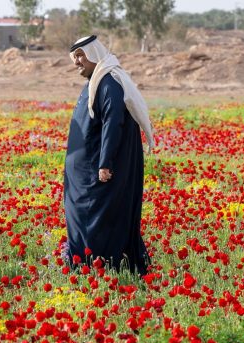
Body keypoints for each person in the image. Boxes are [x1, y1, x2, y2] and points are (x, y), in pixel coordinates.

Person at [64, 35, 153, 275]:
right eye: (75, 57)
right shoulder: (97, 81)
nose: (77, 62)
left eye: (81, 55)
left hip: (99, 172)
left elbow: (113, 124)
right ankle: (87, 263)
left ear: (94, 54)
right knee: (83, 216)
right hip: (87, 170)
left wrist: (105, 164)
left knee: (97, 218)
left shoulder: (108, 83)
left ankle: (100, 266)